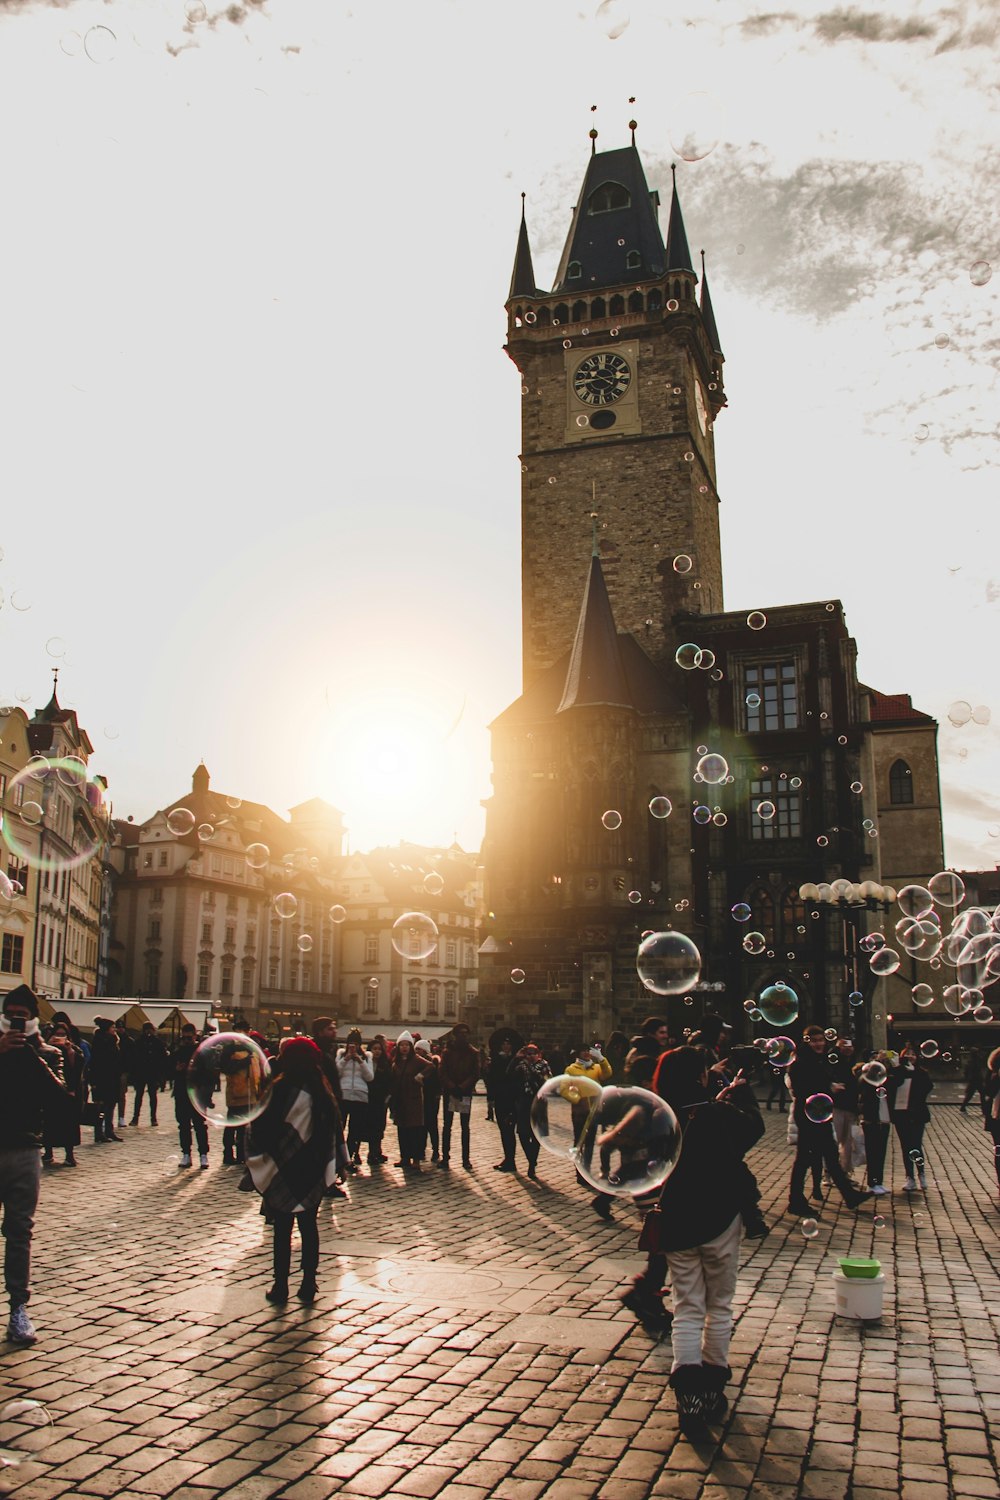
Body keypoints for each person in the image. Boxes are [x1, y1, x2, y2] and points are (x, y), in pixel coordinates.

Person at [641, 1045, 764, 1436]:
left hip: (678, 1220)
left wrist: (716, 1098)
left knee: (688, 1308)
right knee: (720, 1306)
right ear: (699, 1076)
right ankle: (712, 1389)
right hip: (719, 1218)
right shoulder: (715, 1113)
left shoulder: (659, 1116)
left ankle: (689, 1398)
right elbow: (753, 1130)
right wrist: (740, 1093)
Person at [247, 1036, 339, 1305]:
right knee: (309, 1228)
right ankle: (309, 1283)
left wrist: (259, 1162)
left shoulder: (277, 1090)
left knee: (282, 1229)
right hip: (312, 1169)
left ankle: (281, 1285)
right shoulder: (322, 1092)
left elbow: (259, 1130)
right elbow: (334, 1132)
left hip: (282, 1168)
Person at [0, 984, 69, 1346]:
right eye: (10, 1012)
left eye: (21, 1014)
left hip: (26, 1148)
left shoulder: (46, 1052)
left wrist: (33, 1055)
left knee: (19, 1232)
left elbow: (60, 1099)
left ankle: (18, 1308)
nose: (15, 1019)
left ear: (32, 1020)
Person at [786, 1026, 872, 1216]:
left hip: (819, 1112)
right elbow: (799, 1089)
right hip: (808, 1113)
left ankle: (849, 1196)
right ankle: (796, 1201)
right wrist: (828, 1087)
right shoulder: (800, 1061)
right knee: (805, 1158)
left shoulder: (819, 1059)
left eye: (821, 1039)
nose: (819, 1043)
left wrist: (829, 1086)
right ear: (806, 1041)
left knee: (830, 1155)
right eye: (814, 1040)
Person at [565, 1041, 615, 1218]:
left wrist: (602, 1060)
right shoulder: (571, 1069)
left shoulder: (595, 1068)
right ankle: (579, 1171)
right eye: (583, 1051)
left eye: (588, 1051)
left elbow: (608, 1074)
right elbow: (565, 1088)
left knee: (591, 1141)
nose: (587, 1054)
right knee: (579, 1140)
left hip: (594, 1109)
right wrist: (576, 1098)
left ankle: (586, 1170)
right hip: (580, 1110)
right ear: (578, 1054)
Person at [888, 1044, 933, 1191]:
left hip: (917, 1114)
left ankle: (921, 1174)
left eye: (913, 1054)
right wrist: (897, 1068)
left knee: (916, 1145)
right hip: (901, 1114)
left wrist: (913, 1073)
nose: (910, 1057)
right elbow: (892, 1085)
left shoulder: (921, 1073)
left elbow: (927, 1087)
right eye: (907, 1054)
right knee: (905, 1146)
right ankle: (910, 1177)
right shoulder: (896, 1072)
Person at [41, 1023, 83, 1168]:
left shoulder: (73, 1049)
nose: (59, 1037)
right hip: (50, 1091)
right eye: (56, 1034)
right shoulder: (46, 1048)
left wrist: (69, 1050)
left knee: (68, 1123)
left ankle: (69, 1155)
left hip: (68, 1091)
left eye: (62, 1034)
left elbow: (77, 1067)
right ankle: (48, 1152)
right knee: (49, 1122)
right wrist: (47, 1046)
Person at [438, 1024, 480, 1170]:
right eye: (461, 1033)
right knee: (447, 1126)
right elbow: (442, 1071)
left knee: (465, 1127)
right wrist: (451, 1086)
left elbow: (475, 1073)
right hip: (450, 1093)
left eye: (466, 1033)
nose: (464, 1036)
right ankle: (445, 1157)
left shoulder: (473, 1053)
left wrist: (462, 1087)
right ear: (456, 1035)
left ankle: (465, 1159)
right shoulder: (448, 1052)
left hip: (464, 1093)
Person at [388, 1032, 430, 1172]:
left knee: (415, 1130)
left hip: (414, 1100)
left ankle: (416, 1160)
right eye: (402, 1045)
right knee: (402, 1130)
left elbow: (431, 1066)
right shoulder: (397, 1062)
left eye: (407, 1045)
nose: (404, 1048)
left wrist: (420, 1076)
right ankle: (405, 1157)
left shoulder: (416, 1059)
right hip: (401, 1100)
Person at [170, 1023, 209, 1169]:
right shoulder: (177, 1052)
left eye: (189, 1037)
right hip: (181, 1092)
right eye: (184, 1037)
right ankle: (186, 1154)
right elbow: (167, 1071)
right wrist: (176, 1069)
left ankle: (203, 1155)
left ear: (195, 1036)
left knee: (200, 1125)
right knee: (184, 1125)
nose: (186, 1040)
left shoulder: (201, 1053)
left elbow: (208, 1074)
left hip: (197, 1093)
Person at [509, 1042, 550, 1177]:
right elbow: (509, 1075)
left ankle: (532, 1163)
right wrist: (516, 1058)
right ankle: (530, 1159)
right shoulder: (520, 1065)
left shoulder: (544, 1065)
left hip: (539, 1101)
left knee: (536, 1134)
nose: (531, 1056)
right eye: (528, 1053)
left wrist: (529, 1067)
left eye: (533, 1053)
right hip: (524, 1101)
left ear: (539, 1054)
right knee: (522, 1132)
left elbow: (544, 1081)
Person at [855, 1051, 891, 1197]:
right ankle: (872, 1183)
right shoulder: (866, 1081)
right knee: (873, 1152)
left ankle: (879, 1182)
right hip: (871, 1120)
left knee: (881, 1152)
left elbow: (897, 1080)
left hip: (884, 1119)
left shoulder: (886, 1081)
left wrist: (892, 1064)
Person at [336, 1029, 374, 1168]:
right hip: (344, 1095)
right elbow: (336, 1073)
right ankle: (339, 1157)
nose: (353, 1047)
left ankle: (349, 1157)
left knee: (355, 1130)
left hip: (360, 1096)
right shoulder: (340, 1054)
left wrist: (359, 1060)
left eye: (356, 1044)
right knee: (340, 1127)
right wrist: (346, 1059)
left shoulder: (367, 1057)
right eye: (351, 1044)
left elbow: (370, 1077)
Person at [828, 1037, 863, 1180]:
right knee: (833, 1141)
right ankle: (828, 1173)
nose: (848, 1049)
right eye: (844, 1046)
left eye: (850, 1046)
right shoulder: (833, 1061)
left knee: (848, 1142)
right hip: (835, 1106)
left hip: (851, 1107)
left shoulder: (856, 1063)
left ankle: (846, 1172)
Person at [88, 1018, 124, 1145]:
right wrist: (94, 1081)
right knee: (101, 1107)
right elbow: (96, 1063)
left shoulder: (113, 1041)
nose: (114, 1029)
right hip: (103, 1078)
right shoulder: (101, 1042)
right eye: (112, 1027)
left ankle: (109, 1130)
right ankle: (99, 1133)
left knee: (111, 1105)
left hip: (112, 1078)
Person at [488, 1037, 518, 1172]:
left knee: (509, 1130)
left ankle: (511, 1160)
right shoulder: (495, 1059)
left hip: (512, 1099)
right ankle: (508, 1158)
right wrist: (491, 1098)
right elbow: (491, 1080)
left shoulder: (516, 1060)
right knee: (504, 1130)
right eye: (504, 1044)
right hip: (500, 1098)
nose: (506, 1046)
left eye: (508, 1043)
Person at [130, 1022, 167, 1126]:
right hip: (141, 1072)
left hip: (153, 1073)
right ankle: (135, 1117)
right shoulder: (138, 1042)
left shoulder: (157, 1043)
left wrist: (160, 1076)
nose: (148, 1032)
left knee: (153, 1096)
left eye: (150, 1029)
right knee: (139, 1096)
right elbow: (134, 1059)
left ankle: (153, 1118)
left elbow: (162, 1059)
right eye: (147, 1029)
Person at [366, 1038, 392, 1165]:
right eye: (374, 1049)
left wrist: (387, 1097)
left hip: (380, 1100)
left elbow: (388, 1081)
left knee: (379, 1126)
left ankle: (377, 1151)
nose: (377, 1051)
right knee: (368, 1126)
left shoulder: (385, 1064)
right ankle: (370, 1153)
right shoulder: (366, 1062)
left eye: (379, 1049)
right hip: (367, 1098)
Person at [414, 1040, 441, 1162]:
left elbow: (436, 1082)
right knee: (421, 1126)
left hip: (430, 1098)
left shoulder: (432, 1063)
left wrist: (436, 1095)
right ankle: (421, 1150)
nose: (417, 1051)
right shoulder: (417, 1062)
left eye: (419, 1049)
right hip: (421, 1098)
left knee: (431, 1126)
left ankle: (435, 1150)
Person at [114, 1018, 136, 1130]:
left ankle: (121, 1117)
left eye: (121, 1027)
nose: (119, 1030)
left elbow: (132, 1058)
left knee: (121, 1095)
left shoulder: (128, 1041)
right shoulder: (112, 1040)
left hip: (123, 1071)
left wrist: (129, 1072)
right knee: (111, 1095)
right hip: (113, 1071)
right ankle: (109, 1118)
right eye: (118, 1027)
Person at [960, 1047, 985, 1115]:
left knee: (976, 1094)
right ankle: (963, 1107)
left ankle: (983, 1109)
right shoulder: (973, 1061)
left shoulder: (973, 1061)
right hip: (975, 1080)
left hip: (976, 1080)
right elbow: (971, 1071)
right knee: (971, 1095)